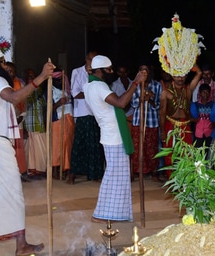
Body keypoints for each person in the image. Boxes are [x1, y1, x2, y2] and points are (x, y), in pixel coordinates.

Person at [0, 47, 54, 256]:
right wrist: (42, 77)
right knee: (13, 192)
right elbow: (14, 98)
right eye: (3, 64)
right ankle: (21, 246)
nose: (6, 67)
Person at [84, 55, 147, 223]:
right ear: (99, 71)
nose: (111, 72)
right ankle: (101, 213)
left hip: (111, 133)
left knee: (119, 175)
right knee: (114, 175)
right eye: (109, 69)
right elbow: (120, 103)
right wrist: (135, 83)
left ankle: (116, 213)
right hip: (113, 135)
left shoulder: (89, 85)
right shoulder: (98, 86)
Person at [67, 51, 105, 184]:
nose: (92, 62)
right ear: (86, 59)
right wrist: (91, 93)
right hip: (82, 113)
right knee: (79, 144)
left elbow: (102, 91)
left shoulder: (99, 73)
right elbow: (75, 93)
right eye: (90, 59)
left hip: (96, 113)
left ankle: (94, 174)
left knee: (95, 145)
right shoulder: (76, 72)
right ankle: (72, 174)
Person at [159, 65, 202, 176]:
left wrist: (189, 59)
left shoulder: (188, 89)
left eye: (183, 75)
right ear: (172, 76)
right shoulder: (166, 93)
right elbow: (162, 113)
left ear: (186, 75)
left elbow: (199, 73)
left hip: (185, 126)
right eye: (177, 76)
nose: (180, 78)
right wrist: (162, 131)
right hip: (170, 125)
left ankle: (185, 182)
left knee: (187, 154)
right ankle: (172, 182)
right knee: (170, 154)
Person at [129, 62, 162, 180]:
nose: (144, 73)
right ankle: (138, 172)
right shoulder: (134, 85)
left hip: (152, 122)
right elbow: (133, 104)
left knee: (152, 148)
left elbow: (159, 105)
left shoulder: (157, 85)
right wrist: (141, 99)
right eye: (141, 71)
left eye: (145, 71)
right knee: (138, 148)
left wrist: (151, 99)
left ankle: (153, 172)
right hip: (139, 121)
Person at [5, 61, 30, 182]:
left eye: (12, 72)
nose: (10, 73)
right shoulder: (1, 85)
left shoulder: (19, 84)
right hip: (4, 124)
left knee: (18, 148)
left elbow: (24, 104)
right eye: (7, 71)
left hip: (18, 120)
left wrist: (21, 117)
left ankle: (21, 172)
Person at [23, 68, 47, 179]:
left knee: (41, 149)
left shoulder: (40, 91)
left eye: (33, 77)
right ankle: (32, 171)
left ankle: (41, 170)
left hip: (39, 123)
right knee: (31, 150)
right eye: (29, 77)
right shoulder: (23, 91)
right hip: (28, 124)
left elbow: (44, 105)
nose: (31, 79)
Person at [51, 70, 74, 180]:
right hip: (57, 119)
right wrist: (59, 103)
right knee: (56, 145)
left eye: (60, 79)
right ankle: (55, 169)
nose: (59, 81)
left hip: (69, 117)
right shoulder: (50, 91)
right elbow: (48, 109)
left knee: (67, 144)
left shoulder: (68, 90)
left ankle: (66, 169)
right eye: (56, 79)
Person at [190, 83, 214, 148]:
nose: (205, 94)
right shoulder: (195, 105)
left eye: (207, 92)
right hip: (198, 132)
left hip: (209, 132)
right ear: (200, 93)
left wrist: (214, 123)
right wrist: (193, 120)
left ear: (209, 93)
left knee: (208, 149)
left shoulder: (212, 104)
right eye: (203, 92)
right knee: (197, 150)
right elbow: (190, 117)